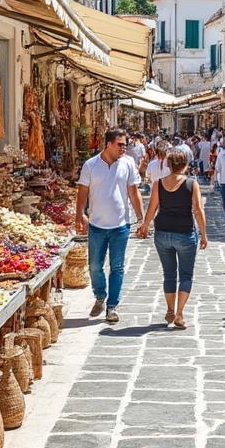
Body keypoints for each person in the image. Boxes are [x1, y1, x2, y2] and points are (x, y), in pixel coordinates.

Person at [75, 129, 144, 325]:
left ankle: (112, 305)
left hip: (121, 225)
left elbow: (133, 192)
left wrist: (141, 219)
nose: (124, 148)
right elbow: (82, 192)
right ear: (108, 144)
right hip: (97, 225)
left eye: (125, 144)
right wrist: (79, 215)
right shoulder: (91, 165)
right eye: (120, 144)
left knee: (117, 267)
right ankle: (100, 295)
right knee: (95, 266)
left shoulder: (128, 163)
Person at [137, 150, 208, 330]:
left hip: (162, 233)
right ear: (185, 165)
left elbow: (152, 208)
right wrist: (204, 233)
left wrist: (145, 225)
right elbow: (198, 210)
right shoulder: (192, 184)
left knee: (169, 274)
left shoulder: (158, 184)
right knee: (185, 275)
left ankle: (170, 309)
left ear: (168, 165)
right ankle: (179, 313)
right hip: (185, 233)